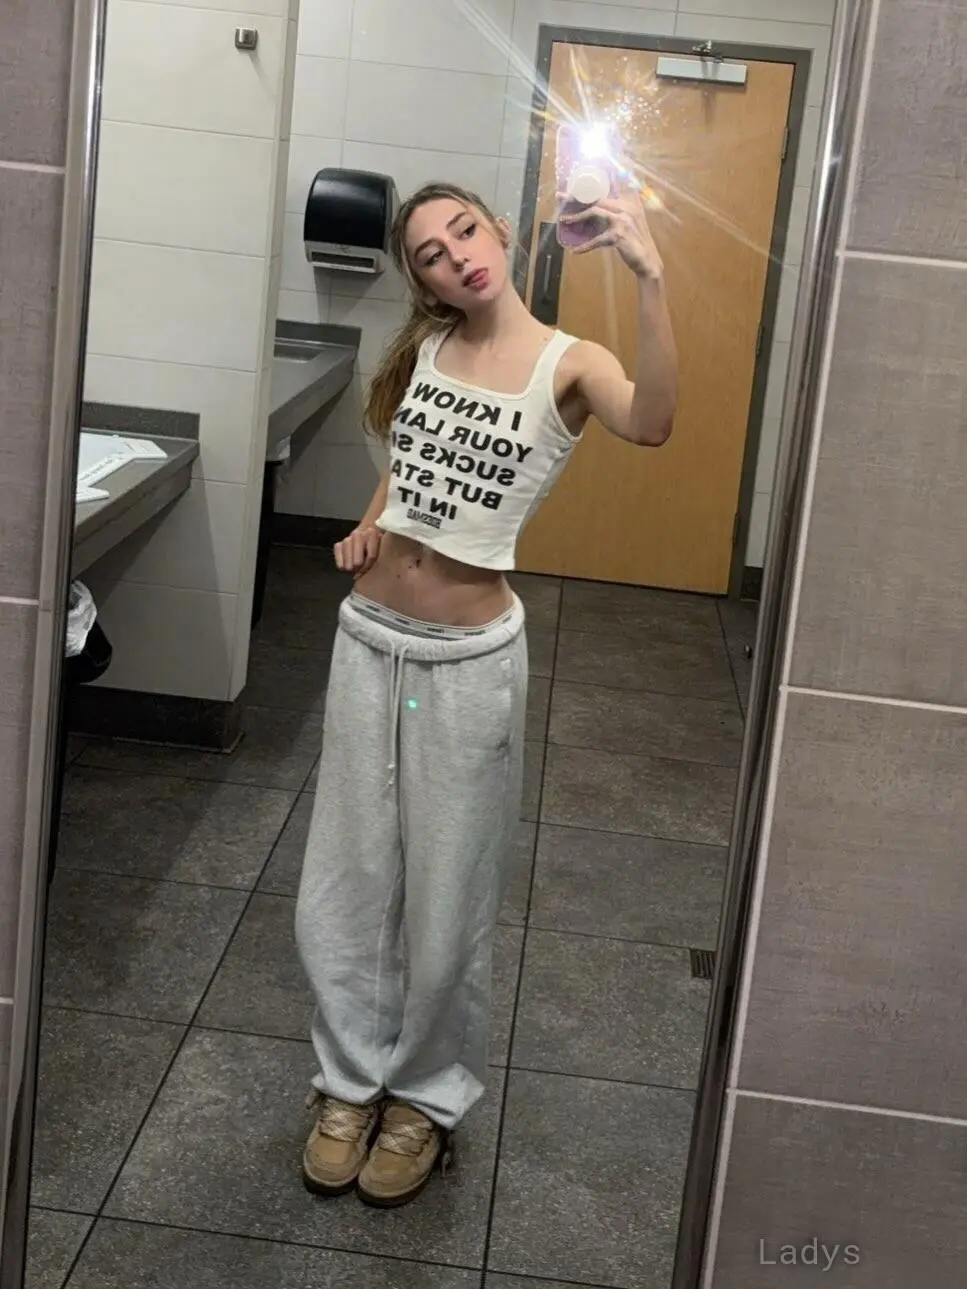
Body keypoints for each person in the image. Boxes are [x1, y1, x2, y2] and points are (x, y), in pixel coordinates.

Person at [294, 179, 677, 1208]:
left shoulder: (569, 363)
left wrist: (648, 275)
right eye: (428, 252)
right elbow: (408, 467)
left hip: (465, 662)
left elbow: (652, 422)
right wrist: (369, 525)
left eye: (463, 230)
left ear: (499, 230)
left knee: (448, 890)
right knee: (346, 877)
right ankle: (347, 1082)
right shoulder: (427, 350)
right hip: (368, 640)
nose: (455, 254)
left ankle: (422, 1098)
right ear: (420, 278)